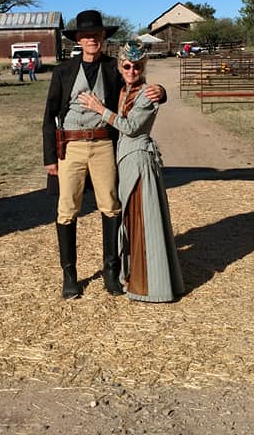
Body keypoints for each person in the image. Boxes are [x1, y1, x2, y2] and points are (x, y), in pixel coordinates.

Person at [43, 10, 166, 299]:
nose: (92, 40)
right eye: (86, 36)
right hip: (70, 146)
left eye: (97, 35)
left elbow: (137, 83)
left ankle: (111, 271)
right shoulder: (63, 71)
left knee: (110, 205)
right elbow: (49, 115)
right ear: (78, 39)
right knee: (67, 209)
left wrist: (161, 91)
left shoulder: (113, 67)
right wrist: (50, 158)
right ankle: (69, 275)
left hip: (102, 145)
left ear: (103, 38)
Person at [78, 42, 184, 303]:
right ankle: (133, 275)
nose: (132, 70)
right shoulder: (124, 89)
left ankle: (149, 283)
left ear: (143, 67)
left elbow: (131, 126)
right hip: (124, 159)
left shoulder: (147, 93)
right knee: (130, 218)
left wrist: (99, 109)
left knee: (141, 218)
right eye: (127, 66)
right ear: (120, 67)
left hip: (138, 159)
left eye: (137, 66)